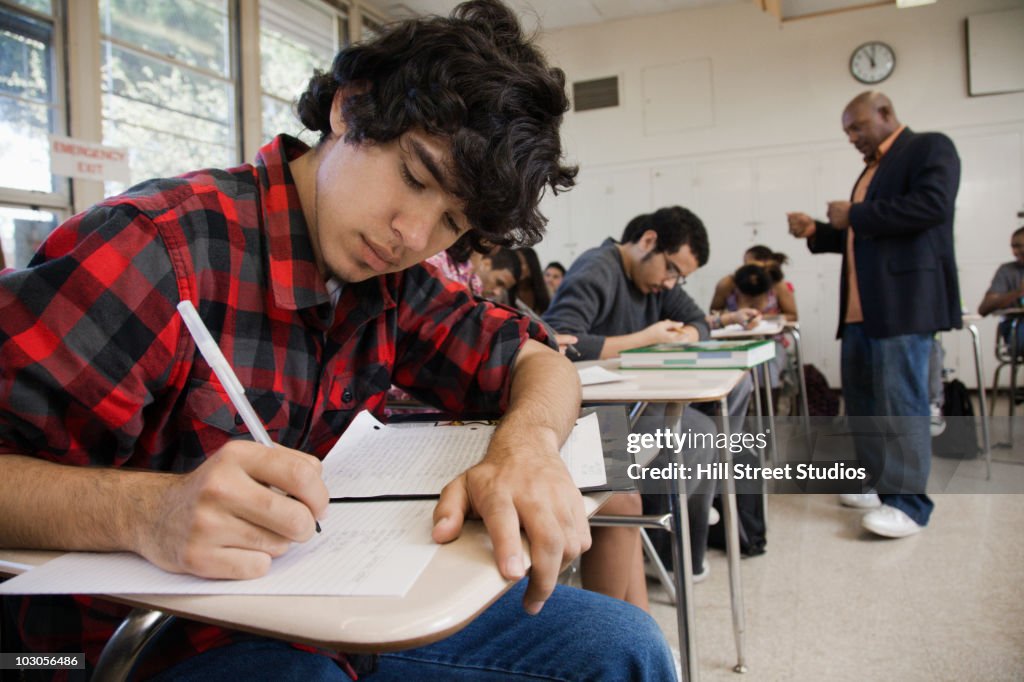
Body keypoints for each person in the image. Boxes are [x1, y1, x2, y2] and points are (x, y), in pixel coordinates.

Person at [0, 2, 675, 680]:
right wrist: (149, 513)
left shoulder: (393, 283)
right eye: (414, 177)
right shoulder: (153, 251)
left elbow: (537, 357)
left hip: (331, 613)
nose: (414, 235)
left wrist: (526, 445)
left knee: (622, 646)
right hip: (143, 639)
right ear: (350, 110)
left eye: (453, 222)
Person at [544, 206, 753, 603]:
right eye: (671, 270)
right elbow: (558, 342)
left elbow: (698, 321)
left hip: (627, 407)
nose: (671, 282)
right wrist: (645, 338)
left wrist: (686, 334)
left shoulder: (657, 283)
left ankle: (680, 530)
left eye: (681, 277)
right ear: (648, 242)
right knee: (694, 436)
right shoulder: (597, 269)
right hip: (589, 414)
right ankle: (678, 527)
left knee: (711, 418)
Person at [787, 90, 962, 539]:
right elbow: (861, 236)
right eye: (847, 130)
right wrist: (818, 231)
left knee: (902, 405)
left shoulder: (929, 147)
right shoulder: (871, 169)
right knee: (863, 403)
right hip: (862, 312)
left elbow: (932, 207)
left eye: (857, 127)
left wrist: (857, 213)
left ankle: (909, 504)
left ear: (885, 114)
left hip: (903, 306)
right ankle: (877, 483)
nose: (851, 137)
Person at [978, 226, 1024, 357]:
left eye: (1019, 246)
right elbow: (983, 308)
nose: (1015, 252)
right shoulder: (1007, 271)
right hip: (1018, 327)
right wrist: (1018, 292)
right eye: (1013, 247)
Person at [512, 246, 551, 314]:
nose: (517, 267)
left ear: (532, 265)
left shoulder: (546, 293)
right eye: (515, 263)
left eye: (521, 263)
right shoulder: (504, 293)